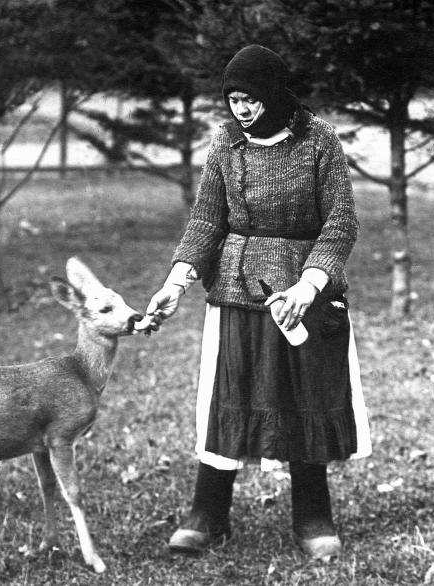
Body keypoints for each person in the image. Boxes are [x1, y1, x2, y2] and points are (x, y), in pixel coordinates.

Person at [146, 44, 372, 560]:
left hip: (301, 294)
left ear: (272, 94)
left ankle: (313, 516)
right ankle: (208, 514)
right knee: (229, 395)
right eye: (233, 99)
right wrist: (176, 282)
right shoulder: (225, 144)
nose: (242, 110)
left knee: (303, 396)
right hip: (236, 290)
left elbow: (340, 224)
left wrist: (308, 285)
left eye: (250, 98)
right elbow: (207, 221)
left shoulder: (319, 140)